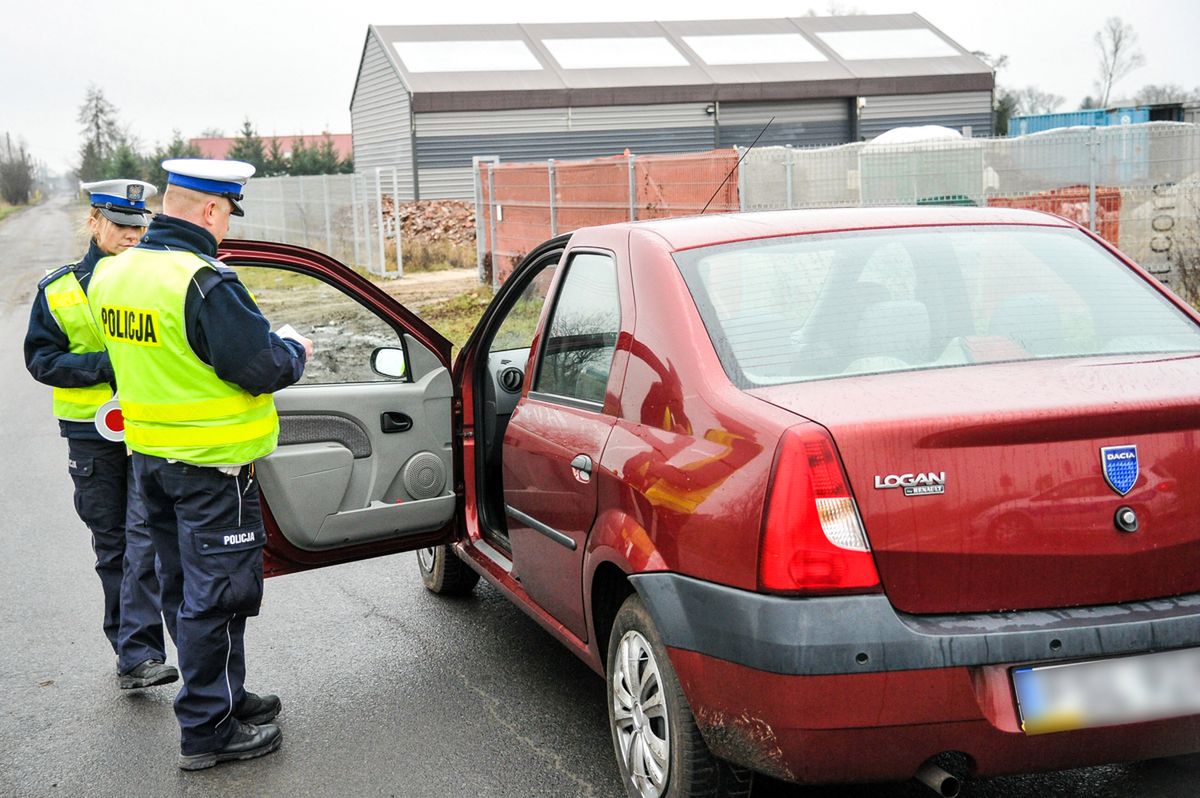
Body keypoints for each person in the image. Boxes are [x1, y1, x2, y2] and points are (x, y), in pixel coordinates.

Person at [87, 159, 313, 770]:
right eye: (227, 215)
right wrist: (297, 349)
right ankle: (207, 729)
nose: (225, 229)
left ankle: (226, 698)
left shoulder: (116, 273)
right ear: (212, 210)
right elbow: (262, 367)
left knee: (188, 590)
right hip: (211, 470)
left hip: (152, 461)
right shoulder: (204, 282)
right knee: (218, 597)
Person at [24, 179, 179, 690]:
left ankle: (140, 655)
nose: (132, 235)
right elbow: (41, 359)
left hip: (148, 425)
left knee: (145, 540)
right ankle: (130, 650)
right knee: (113, 544)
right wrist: (102, 365)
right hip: (92, 437)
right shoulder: (60, 288)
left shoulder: (158, 279)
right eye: (121, 225)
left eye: (140, 226)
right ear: (94, 223)